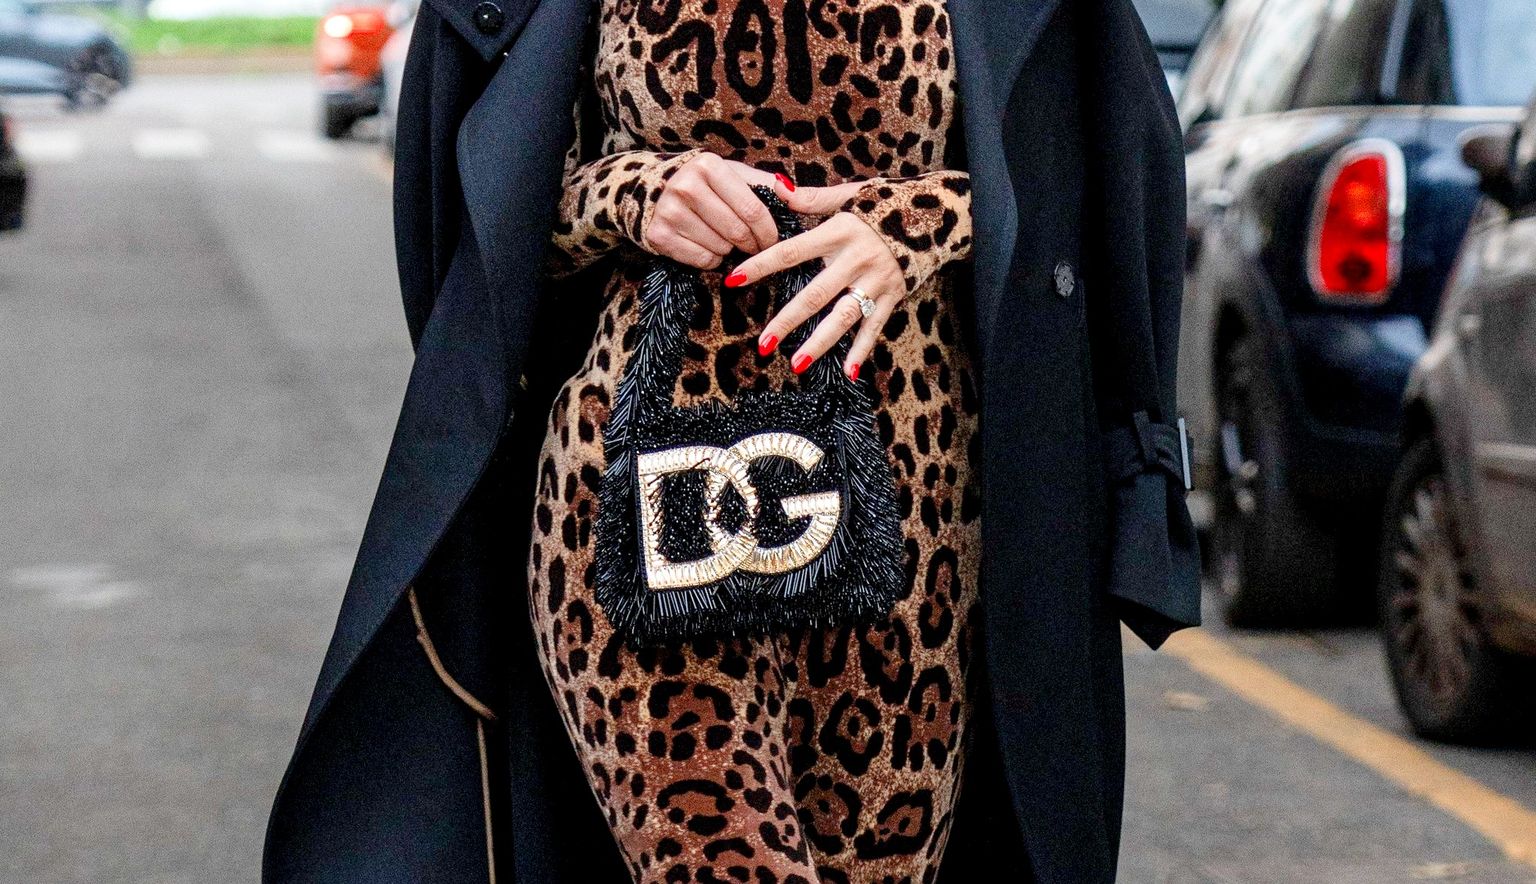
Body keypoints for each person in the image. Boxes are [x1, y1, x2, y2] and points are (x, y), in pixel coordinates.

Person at [262, 0, 1202, 881]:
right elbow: (492, 219)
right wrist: (637, 191)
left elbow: (1076, 188)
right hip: (634, 507)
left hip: (913, 516)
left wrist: (910, 226)